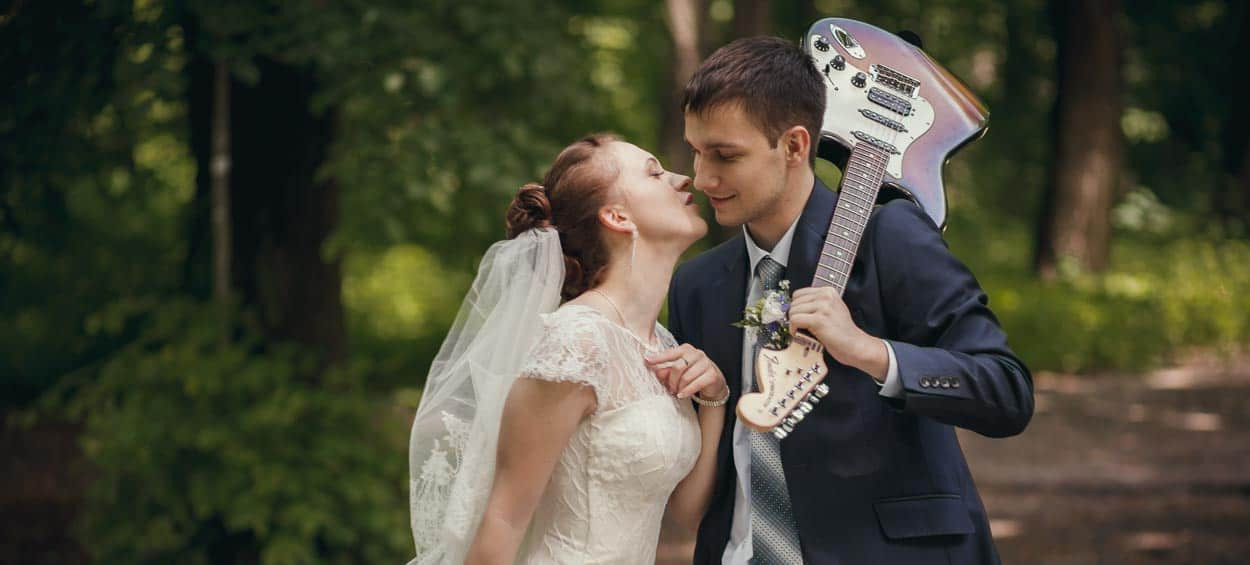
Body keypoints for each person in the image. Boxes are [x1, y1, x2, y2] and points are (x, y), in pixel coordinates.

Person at [668, 37, 1034, 564]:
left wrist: (870, 352)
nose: (703, 178)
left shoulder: (891, 239)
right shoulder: (695, 285)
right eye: (697, 152)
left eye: (726, 155)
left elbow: (1007, 391)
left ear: (795, 146)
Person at [406, 133, 730, 564]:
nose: (683, 179)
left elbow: (683, 519)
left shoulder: (662, 344)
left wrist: (714, 401)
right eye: (655, 173)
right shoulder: (575, 343)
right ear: (617, 216)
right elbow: (503, 519)